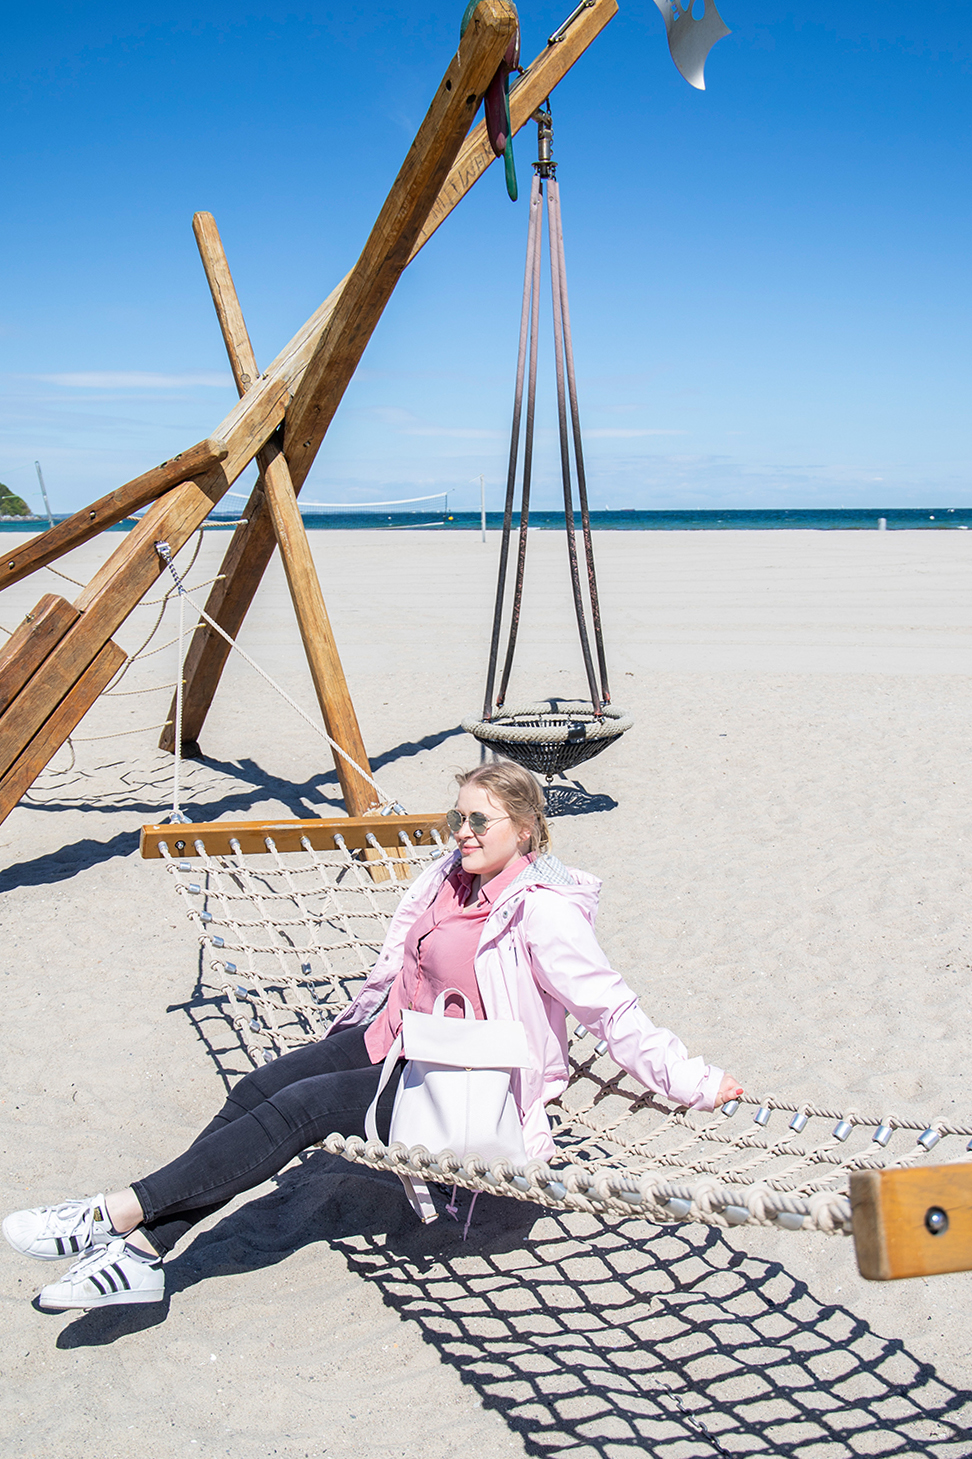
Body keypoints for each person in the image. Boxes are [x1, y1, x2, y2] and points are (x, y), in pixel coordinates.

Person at [3, 760, 742, 1311]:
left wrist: (696, 1082)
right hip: (392, 1039)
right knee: (261, 1086)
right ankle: (143, 1251)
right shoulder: (447, 876)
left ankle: (116, 1211)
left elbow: (613, 1013)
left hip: (460, 1087)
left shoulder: (544, 914)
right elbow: (402, 964)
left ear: (524, 829)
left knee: (307, 1108)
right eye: (458, 816)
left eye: (480, 821)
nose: (463, 831)